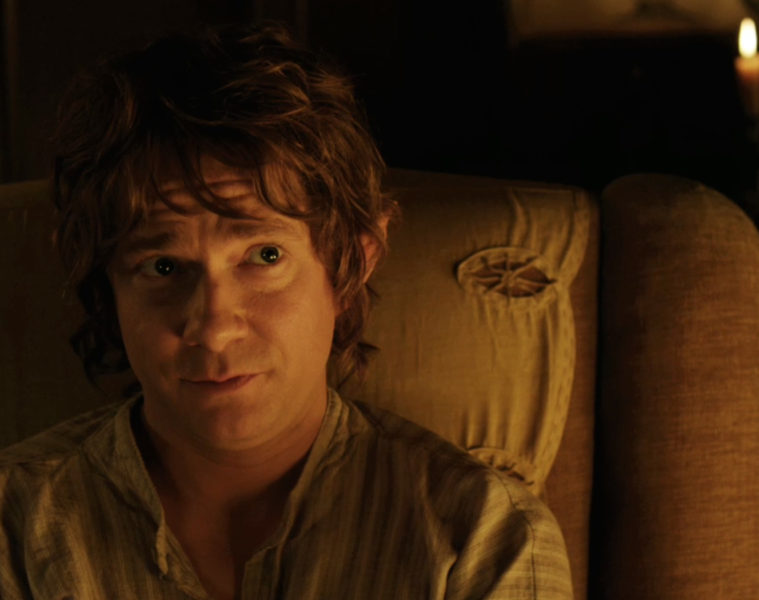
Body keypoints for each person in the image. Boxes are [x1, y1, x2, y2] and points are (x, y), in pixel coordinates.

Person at [0, 24, 572, 600]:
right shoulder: (14, 525)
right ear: (107, 286)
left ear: (351, 263)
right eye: (163, 266)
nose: (214, 327)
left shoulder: (482, 535)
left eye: (264, 256)